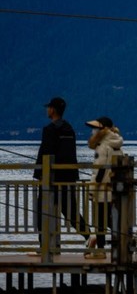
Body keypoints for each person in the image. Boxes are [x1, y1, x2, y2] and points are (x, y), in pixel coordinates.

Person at [33, 96, 88, 254]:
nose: (47, 110)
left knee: (42, 213)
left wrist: (40, 175)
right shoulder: (69, 129)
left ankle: (45, 246)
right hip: (68, 179)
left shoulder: (50, 130)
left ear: (52, 110)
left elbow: (47, 154)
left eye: (48, 107)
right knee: (71, 212)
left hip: (51, 180)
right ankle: (89, 236)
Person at [85, 116, 125, 258]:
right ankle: (122, 243)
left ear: (103, 130)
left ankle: (100, 250)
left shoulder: (102, 146)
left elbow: (100, 171)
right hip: (114, 188)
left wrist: (92, 191)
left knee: (100, 221)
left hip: (102, 190)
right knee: (111, 219)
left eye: (95, 128)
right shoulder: (117, 144)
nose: (93, 132)